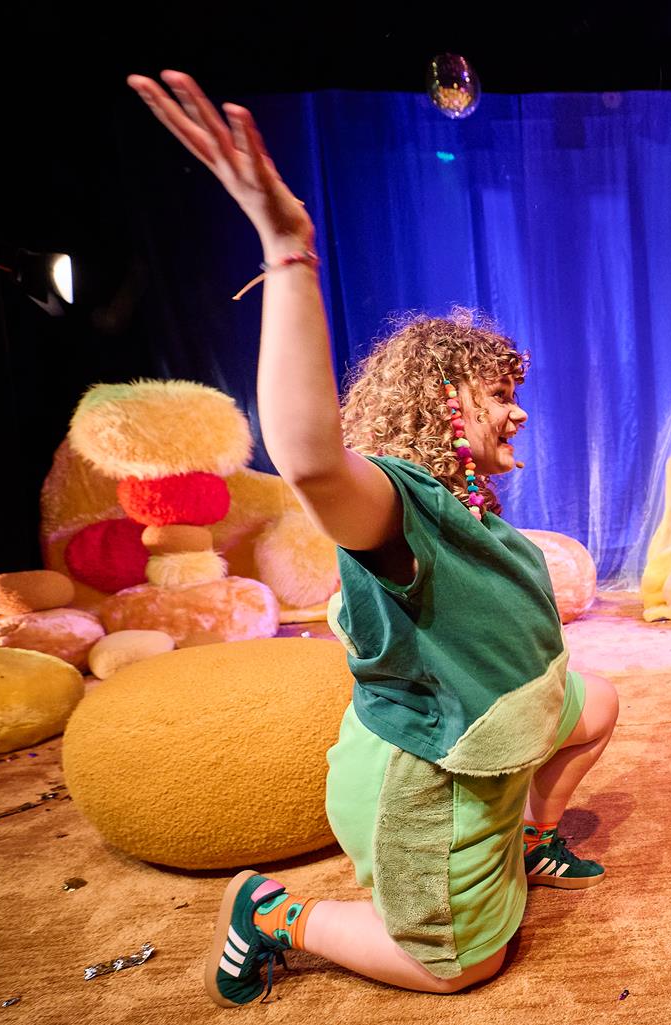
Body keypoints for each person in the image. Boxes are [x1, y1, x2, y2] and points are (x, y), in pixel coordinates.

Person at [126, 70, 620, 1005]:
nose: (518, 412)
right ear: (439, 403)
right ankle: (274, 913)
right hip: (432, 771)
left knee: (598, 704)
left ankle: (528, 838)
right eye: (497, 394)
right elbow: (311, 460)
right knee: (459, 965)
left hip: (498, 724)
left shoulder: (467, 507)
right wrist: (289, 256)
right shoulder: (399, 506)